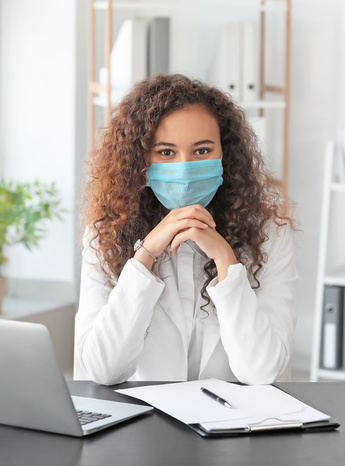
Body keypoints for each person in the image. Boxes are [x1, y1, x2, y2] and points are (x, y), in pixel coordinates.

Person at [74, 74, 297, 386]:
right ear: (141, 160)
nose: (185, 167)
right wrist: (145, 255)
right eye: (166, 152)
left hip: (232, 424)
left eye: (202, 151)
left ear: (225, 156)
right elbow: (102, 369)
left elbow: (262, 371)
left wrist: (225, 259)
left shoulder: (269, 235)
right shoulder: (105, 235)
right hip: (148, 425)